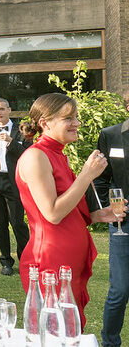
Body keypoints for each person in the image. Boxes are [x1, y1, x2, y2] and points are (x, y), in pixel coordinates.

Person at [18, 93, 123, 328]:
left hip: (66, 261)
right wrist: (87, 174)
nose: (77, 123)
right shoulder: (36, 156)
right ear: (45, 123)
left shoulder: (57, 154)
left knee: (70, 330)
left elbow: (65, 205)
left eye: (76, 117)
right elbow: (52, 213)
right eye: (69, 118)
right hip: (50, 261)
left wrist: (96, 215)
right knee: (56, 331)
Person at [0, 98, 31, 276]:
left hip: (15, 182)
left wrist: (12, 142)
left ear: (9, 110)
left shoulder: (21, 131)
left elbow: (28, 155)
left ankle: (25, 260)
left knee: (17, 223)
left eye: (1, 109)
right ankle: (5, 261)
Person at [96, 87, 129, 346]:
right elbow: (101, 180)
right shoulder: (111, 136)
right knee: (120, 289)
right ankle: (109, 342)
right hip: (123, 223)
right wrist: (110, 207)